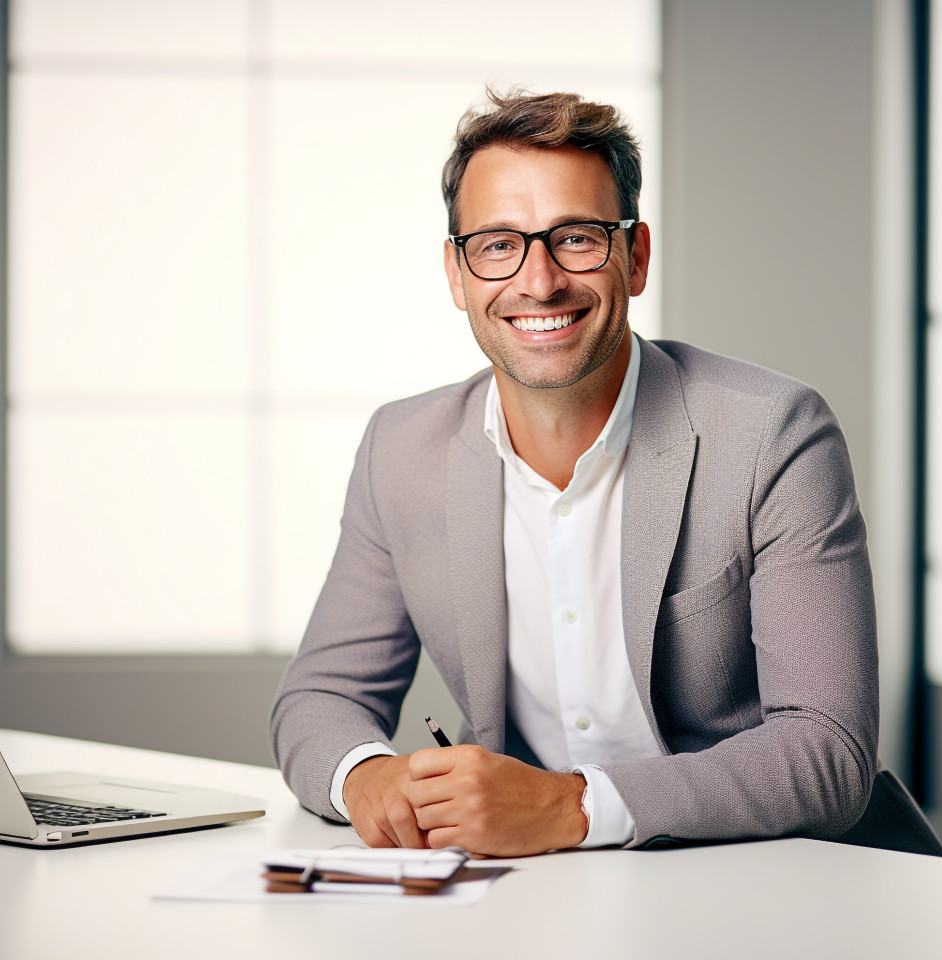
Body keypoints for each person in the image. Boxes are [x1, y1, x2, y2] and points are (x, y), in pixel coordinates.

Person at [271, 89, 878, 856]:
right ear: (457, 274)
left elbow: (828, 751)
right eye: (498, 244)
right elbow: (321, 697)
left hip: (763, 881)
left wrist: (574, 807)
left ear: (636, 258)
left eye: (577, 238)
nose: (539, 281)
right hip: (530, 895)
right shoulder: (402, 448)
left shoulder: (773, 433)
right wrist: (367, 777)